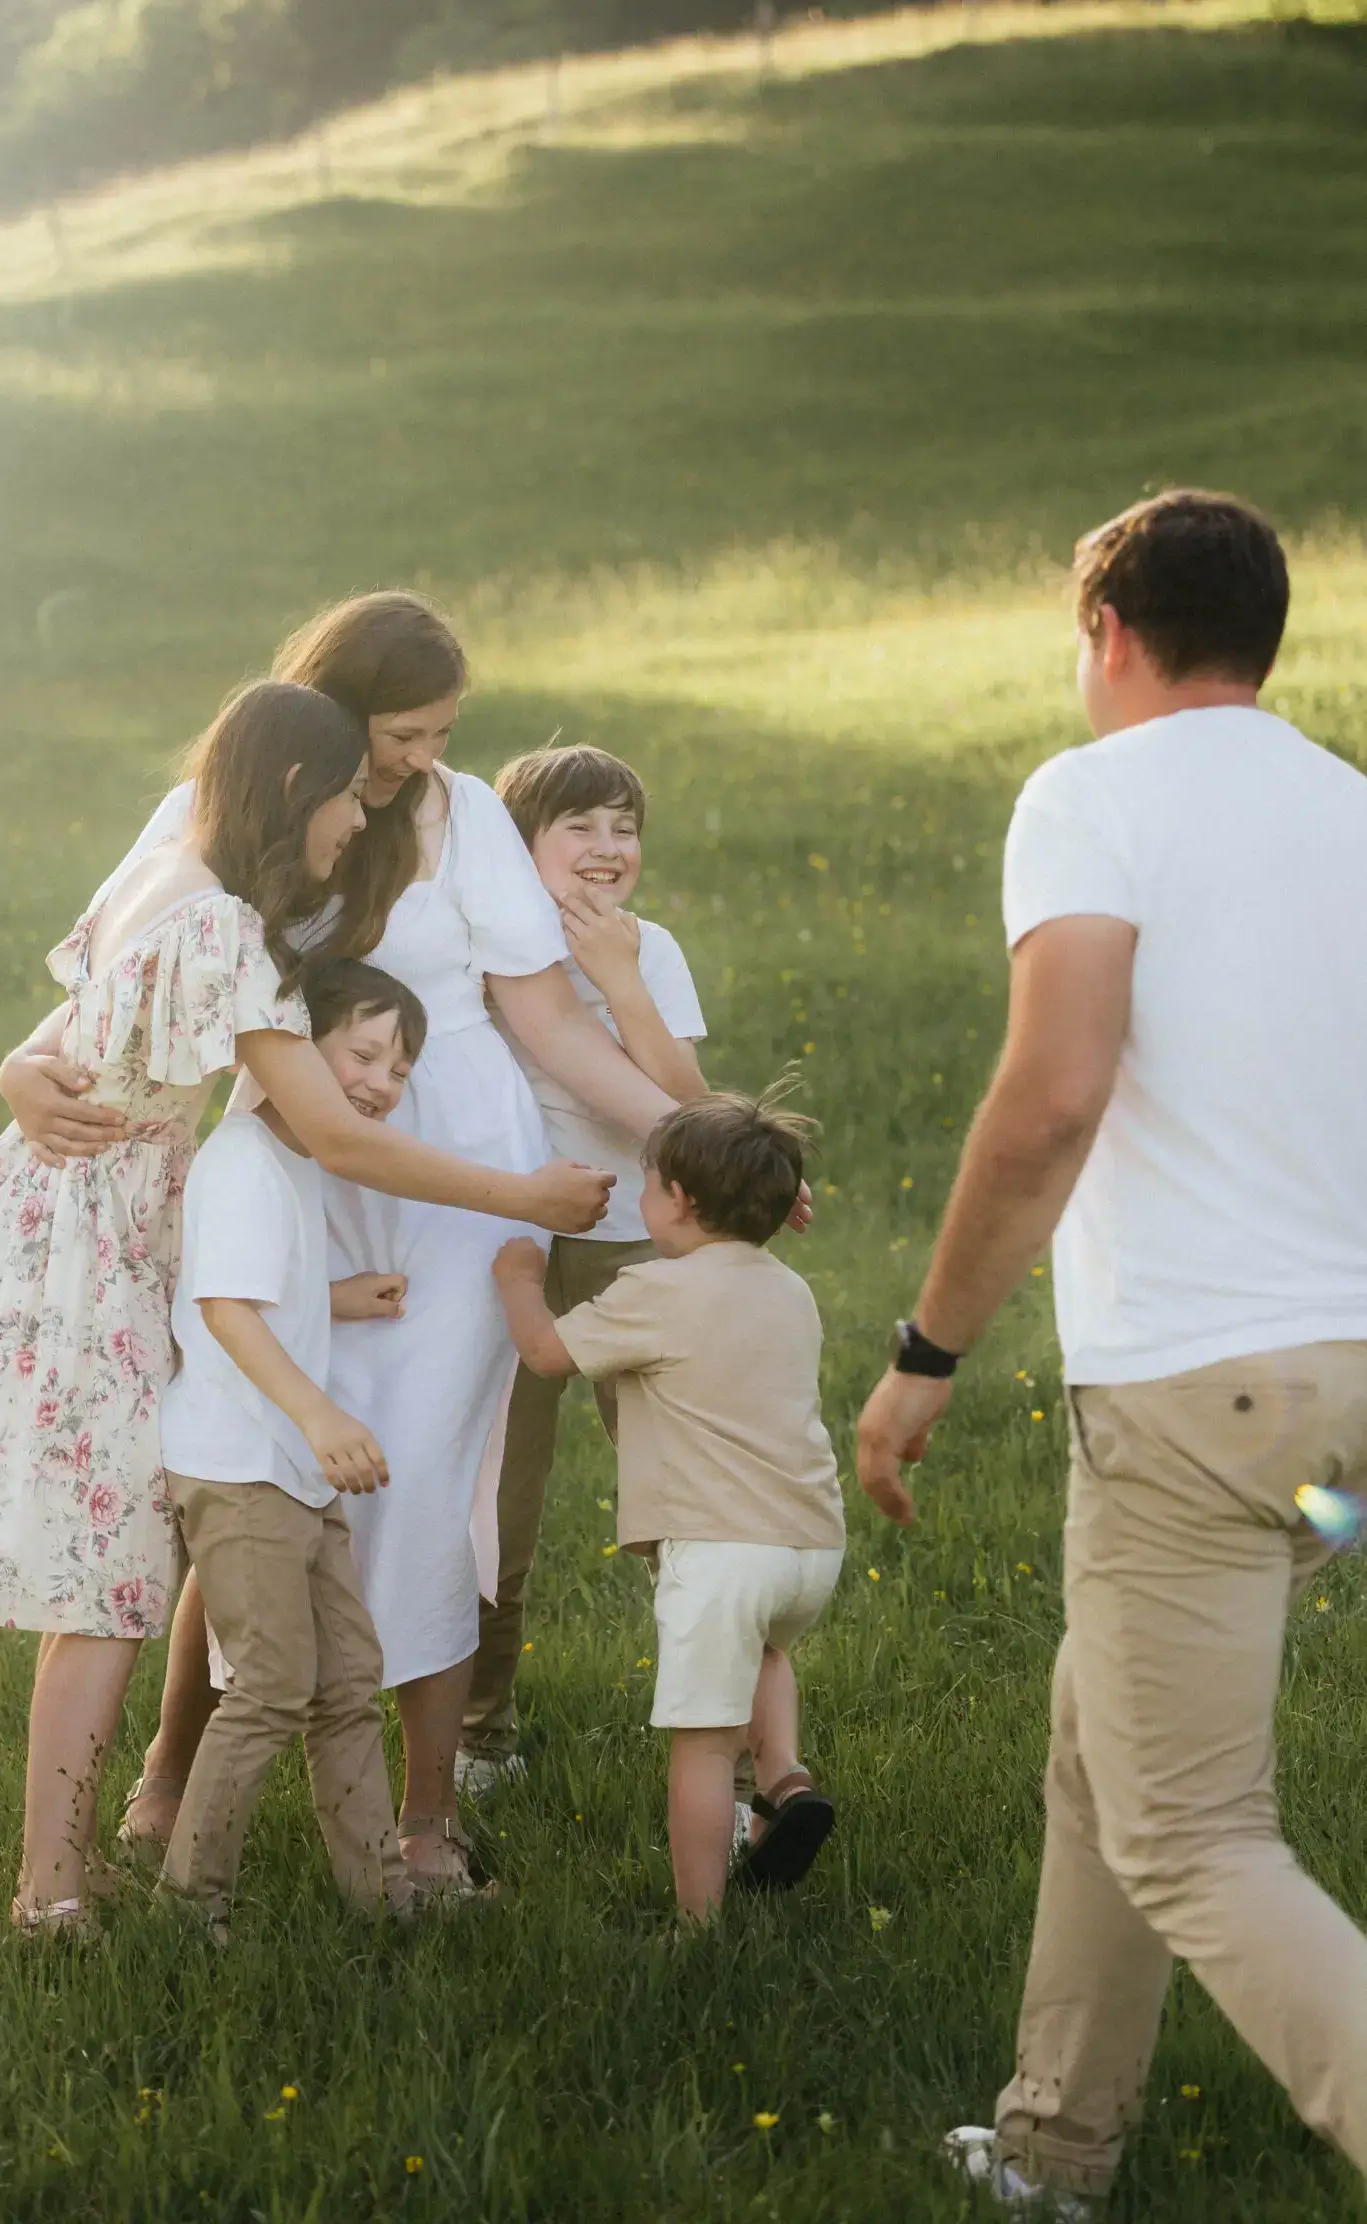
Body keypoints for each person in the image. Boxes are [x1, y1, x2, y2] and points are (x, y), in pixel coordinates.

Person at [0, 679, 610, 1936]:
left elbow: (69, 1022)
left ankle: (70, 1873)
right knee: (107, 1580)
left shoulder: (167, 874)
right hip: (91, 1239)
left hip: (60, 1214)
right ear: (298, 788)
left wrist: (20, 1065)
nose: (361, 822)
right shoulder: (227, 927)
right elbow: (338, 1131)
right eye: (351, 792)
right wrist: (526, 1192)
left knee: (107, 1575)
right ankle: (53, 1893)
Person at [856, 490, 1367, 2208]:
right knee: (1107, 1740)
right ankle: (1051, 2149)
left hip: (1194, 1405)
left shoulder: (1088, 796)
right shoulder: (1348, 810)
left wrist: (927, 1348)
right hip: (1338, 1423)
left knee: (1193, 1831)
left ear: (1108, 636)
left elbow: (1052, 1093)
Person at [493, 1088, 845, 1923]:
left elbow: (545, 1353)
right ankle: (784, 1780)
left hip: (718, 1550)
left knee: (700, 1743)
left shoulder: (655, 1290)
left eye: (645, 1184)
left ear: (679, 1202)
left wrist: (518, 1277)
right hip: (807, 1545)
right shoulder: (790, 1290)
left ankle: (698, 1929)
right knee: (765, 1651)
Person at [159, 960, 432, 1934]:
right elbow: (223, 1309)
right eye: (363, 1051)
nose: (380, 1081)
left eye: (399, 1068)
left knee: (349, 1678)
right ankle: (189, 1908)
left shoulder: (295, 1163)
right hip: (241, 1467)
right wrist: (320, 1414)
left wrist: (337, 1302)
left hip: (287, 1465)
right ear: (289, 1046)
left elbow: (259, 1299)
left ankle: (383, 1898)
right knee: (273, 1683)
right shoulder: (241, 1162)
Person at [460, 743, 708, 1792]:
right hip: (513, 1241)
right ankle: (480, 1731)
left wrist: (621, 982)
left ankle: (721, 1727)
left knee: (678, 1484)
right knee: (498, 1495)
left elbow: (686, 1093)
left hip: (629, 1242)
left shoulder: (652, 951)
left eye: (625, 827)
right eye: (581, 828)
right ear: (520, 850)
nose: (609, 849)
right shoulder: (484, 950)